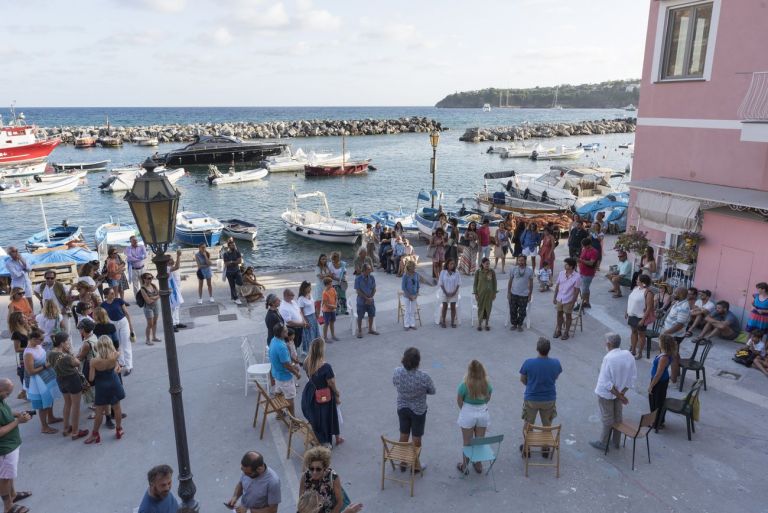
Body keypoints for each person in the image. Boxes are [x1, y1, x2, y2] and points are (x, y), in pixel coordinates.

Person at [589, 333, 637, 451]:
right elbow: (632, 378)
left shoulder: (608, 358)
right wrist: (621, 395)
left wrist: (619, 395)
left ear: (609, 344)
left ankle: (603, 443)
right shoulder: (628, 354)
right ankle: (616, 442)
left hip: (607, 394)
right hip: (620, 392)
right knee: (618, 417)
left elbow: (606, 383)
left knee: (607, 418)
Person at [392, 347, 435, 468]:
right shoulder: (423, 377)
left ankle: (403, 461)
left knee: (403, 434)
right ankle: (416, 465)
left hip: (402, 406)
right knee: (417, 437)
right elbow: (432, 391)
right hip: (419, 410)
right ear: (418, 361)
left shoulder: (397, 372)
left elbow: (394, 383)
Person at [519, 338, 562, 457]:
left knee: (528, 423)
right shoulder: (556, 363)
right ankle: (545, 447)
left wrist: (531, 385)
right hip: (549, 399)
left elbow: (522, 379)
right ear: (549, 350)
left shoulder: (528, 363)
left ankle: (527, 448)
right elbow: (556, 377)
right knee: (547, 424)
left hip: (532, 398)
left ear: (537, 349)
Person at [84, 336, 126, 444]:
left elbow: (91, 378)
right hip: (114, 383)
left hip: (101, 386)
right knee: (117, 408)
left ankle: (95, 434)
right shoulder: (115, 355)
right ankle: (119, 429)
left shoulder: (93, 361)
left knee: (99, 412)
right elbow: (117, 368)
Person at [301, 339, 343, 447]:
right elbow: (331, 383)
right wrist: (337, 393)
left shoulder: (307, 362)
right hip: (325, 395)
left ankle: (329, 438)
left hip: (310, 393)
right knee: (331, 416)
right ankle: (330, 439)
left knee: (319, 418)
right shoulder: (326, 367)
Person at [47, 333, 87, 440]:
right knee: (76, 406)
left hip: (60, 379)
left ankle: (66, 428)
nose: (68, 343)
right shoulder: (67, 357)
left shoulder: (50, 353)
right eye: (67, 341)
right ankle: (75, 431)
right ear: (62, 343)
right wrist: (70, 352)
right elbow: (77, 363)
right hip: (72, 379)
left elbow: (49, 364)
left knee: (67, 403)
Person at [0, 378, 32, 513]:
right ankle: (8, 507)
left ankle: (13, 495)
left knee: (9, 474)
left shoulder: (0, 398)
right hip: (4, 448)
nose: (7, 396)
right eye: (7, 394)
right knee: (4, 478)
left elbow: (5, 409)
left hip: (11, 446)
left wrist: (17, 413)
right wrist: (18, 421)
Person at [23, 327, 62, 434]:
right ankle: (44, 427)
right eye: (40, 339)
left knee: (50, 397)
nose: (43, 341)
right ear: (33, 339)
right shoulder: (28, 353)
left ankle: (51, 417)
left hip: (47, 377)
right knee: (43, 404)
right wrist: (45, 366)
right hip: (38, 381)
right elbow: (30, 371)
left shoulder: (38, 345)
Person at [456, 360, 492, 475]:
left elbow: (459, 400)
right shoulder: (486, 384)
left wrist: (465, 410)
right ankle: (478, 464)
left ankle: (465, 466)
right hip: (482, 412)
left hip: (468, 412)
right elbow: (487, 398)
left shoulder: (464, 385)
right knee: (479, 440)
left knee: (467, 442)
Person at [100, 287, 135, 376]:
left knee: (126, 344)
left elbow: (126, 313)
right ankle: (121, 362)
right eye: (111, 293)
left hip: (123, 322)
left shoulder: (119, 301)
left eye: (113, 292)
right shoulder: (103, 305)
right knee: (117, 345)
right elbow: (104, 316)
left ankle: (129, 366)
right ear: (106, 295)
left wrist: (131, 327)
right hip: (112, 324)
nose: (113, 294)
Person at [268, 323, 301, 416]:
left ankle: (279, 413)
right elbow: (287, 365)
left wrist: (294, 360)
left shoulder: (274, 340)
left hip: (276, 374)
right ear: (282, 333)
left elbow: (285, 357)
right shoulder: (281, 347)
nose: (287, 330)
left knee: (278, 392)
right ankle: (293, 421)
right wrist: (296, 373)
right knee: (290, 399)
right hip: (284, 377)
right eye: (285, 330)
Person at [299, 447, 344, 513]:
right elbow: (301, 501)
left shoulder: (333, 477)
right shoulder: (305, 477)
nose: (314, 472)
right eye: (311, 468)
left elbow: (340, 502)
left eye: (318, 469)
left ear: (325, 468)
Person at [626, 275, 656, 359]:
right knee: (633, 332)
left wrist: (643, 320)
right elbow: (630, 299)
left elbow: (649, 307)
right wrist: (627, 311)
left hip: (640, 316)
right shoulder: (636, 288)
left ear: (643, 282)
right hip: (632, 314)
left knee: (641, 334)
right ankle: (633, 349)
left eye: (638, 280)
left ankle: (640, 353)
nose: (636, 280)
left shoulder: (648, 292)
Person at [648, 334, 674, 430]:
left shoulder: (664, 357)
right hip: (662, 380)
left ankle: (656, 422)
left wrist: (651, 386)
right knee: (657, 400)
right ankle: (658, 421)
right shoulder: (667, 353)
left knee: (656, 402)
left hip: (659, 381)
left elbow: (658, 374)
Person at [553, 257, 581, 340]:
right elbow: (557, 285)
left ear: (571, 266)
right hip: (560, 298)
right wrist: (555, 297)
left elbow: (576, 290)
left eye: (567, 264)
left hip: (569, 299)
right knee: (559, 314)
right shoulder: (561, 273)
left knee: (568, 316)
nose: (565, 265)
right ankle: (559, 330)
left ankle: (566, 332)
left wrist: (573, 301)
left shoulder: (577, 277)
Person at [507, 255, 534, 332]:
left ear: (525, 261)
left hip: (524, 294)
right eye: (519, 260)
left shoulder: (529, 271)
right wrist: (508, 293)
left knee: (522, 311)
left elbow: (531, 284)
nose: (521, 262)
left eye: (522, 260)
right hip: (513, 293)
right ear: (517, 261)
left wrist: (530, 295)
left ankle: (519, 324)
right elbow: (510, 281)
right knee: (513, 310)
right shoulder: (513, 269)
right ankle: (514, 324)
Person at [8, 313, 30, 400]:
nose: (25, 317)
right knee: (25, 374)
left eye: (25, 316)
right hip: (24, 356)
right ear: (18, 321)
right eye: (23, 317)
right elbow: (17, 349)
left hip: (31, 353)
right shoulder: (16, 333)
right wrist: (30, 348)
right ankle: (24, 392)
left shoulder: (26, 328)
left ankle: (25, 392)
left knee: (30, 374)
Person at [354, 264, 378, 339]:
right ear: (364, 270)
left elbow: (374, 288)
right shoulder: (358, 279)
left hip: (370, 300)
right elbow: (358, 291)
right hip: (361, 301)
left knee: (371, 315)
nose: (370, 270)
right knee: (360, 316)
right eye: (369, 269)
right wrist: (366, 298)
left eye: (370, 269)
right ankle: (360, 331)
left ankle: (370, 329)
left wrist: (370, 298)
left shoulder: (372, 277)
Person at [473, 257, 497, 331]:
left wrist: (494, 293)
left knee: (488, 309)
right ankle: (479, 324)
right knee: (481, 309)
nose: (488, 265)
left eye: (489, 264)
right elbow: (475, 284)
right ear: (482, 264)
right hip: (480, 294)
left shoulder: (492, 272)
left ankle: (487, 324)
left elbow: (494, 283)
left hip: (489, 294)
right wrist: (475, 293)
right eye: (486, 264)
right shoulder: (478, 272)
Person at [279, 288, 306, 353]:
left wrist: (303, 320)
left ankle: (295, 355)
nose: (293, 296)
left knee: (298, 342)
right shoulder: (283, 307)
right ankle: (293, 358)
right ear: (286, 296)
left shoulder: (293, 302)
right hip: (292, 329)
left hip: (300, 327)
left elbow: (299, 311)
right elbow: (289, 322)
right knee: (293, 345)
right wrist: (301, 324)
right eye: (292, 295)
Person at [298, 281, 320, 355]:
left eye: (310, 287)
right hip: (307, 317)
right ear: (304, 288)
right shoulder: (301, 299)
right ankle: (310, 350)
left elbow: (313, 305)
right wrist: (305, 321)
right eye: (308, 287)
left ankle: (316, 349)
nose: (310, 289)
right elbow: (301, 311)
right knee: (309, 335)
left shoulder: (310, 294)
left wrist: (316, 313)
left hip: (313, 316)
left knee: (315, 333)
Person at [139, 273, 162, 346]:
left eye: (151, 278)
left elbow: (159, 294)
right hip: (148, 308)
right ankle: (148, 339)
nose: (150, 279)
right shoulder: (143, 289)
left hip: (156, 306)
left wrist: (152, 297)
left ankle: (154, 337)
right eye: (148, 278)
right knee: (150, 324)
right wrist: (155, 297)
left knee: (155, 322)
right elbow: (148, 301)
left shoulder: (153, 285)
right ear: (144, 279)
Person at [438, 259, 461, 328]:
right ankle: (443, 321)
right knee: (444, 307)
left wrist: (454, 292)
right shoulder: (443, 272)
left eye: (453, 264)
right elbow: (441, 283)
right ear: (447, 265)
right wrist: (446, 292)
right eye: (451, 264)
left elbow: (458, 284)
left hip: (454, 293)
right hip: (445, 293)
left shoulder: (456, 272)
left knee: (453, 307)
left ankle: (452, 322)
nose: (452, 265)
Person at [576, 237, 598, 309]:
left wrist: (581, 261)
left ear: (589, 245)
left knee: (584, 289)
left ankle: (582, 303)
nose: (583, 247)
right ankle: (587, 303)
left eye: (584, 246)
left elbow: (591, 263)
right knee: (586, 288)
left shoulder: (594, 252)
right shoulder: (584, 249)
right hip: (582, 271)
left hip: (588, 273)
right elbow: (581, 258)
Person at [168, 250, 185, 331]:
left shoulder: (171, 268)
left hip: (177, 288)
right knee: (173, 307)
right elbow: (177, 266)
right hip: (172, 290)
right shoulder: (167, 268)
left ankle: (177, 322)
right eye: (170, 259)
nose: (172, 260)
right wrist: (178, 256)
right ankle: (173, 324)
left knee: (177, 306)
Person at [223, 239, 244, 305]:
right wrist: (235, 262)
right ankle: (236, 298)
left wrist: (231, 261)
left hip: (237, 270)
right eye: (232, 245)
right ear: (229, 246)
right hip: (229, 272)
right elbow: (226, 264)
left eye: (234, 245)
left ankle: (235, 295)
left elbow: (240, 261)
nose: (234, 246)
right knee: (232, 286)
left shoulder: (237, 252)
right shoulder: (225, 254)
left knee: (240, 282)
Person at [400, 261, 420, 330]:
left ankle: (412, 324)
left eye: (415, 266)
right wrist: (409, 296)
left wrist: (416, 294)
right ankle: (406, 325)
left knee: (413, 310)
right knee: (407, 310)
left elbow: (418, 285)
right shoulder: (405, 275)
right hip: (407, 296)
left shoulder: (416, 274)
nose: (415, 268)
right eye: (413, 267)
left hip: (414, 295)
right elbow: (403, 287)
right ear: (409, 267)